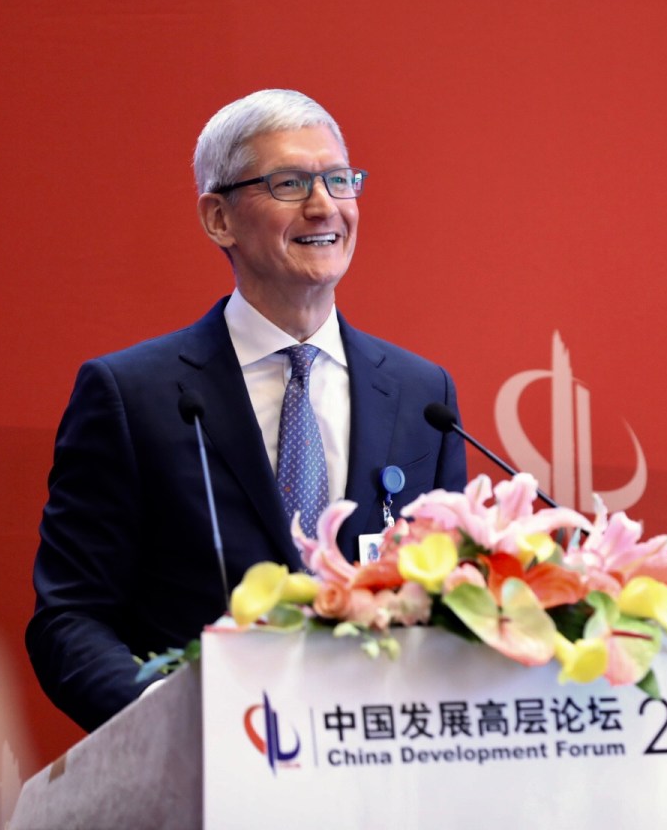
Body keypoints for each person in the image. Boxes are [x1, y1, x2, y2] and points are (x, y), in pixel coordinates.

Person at [27, 89, 467, 732]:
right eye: (289, 183)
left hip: (382, 764)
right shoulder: (131, 394)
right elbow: (71, 618)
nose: (325, 206)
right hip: (206, 778)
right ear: (218, 218)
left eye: (339, 180)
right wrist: (162, 723)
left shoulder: (420, 392)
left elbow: (456, 599)